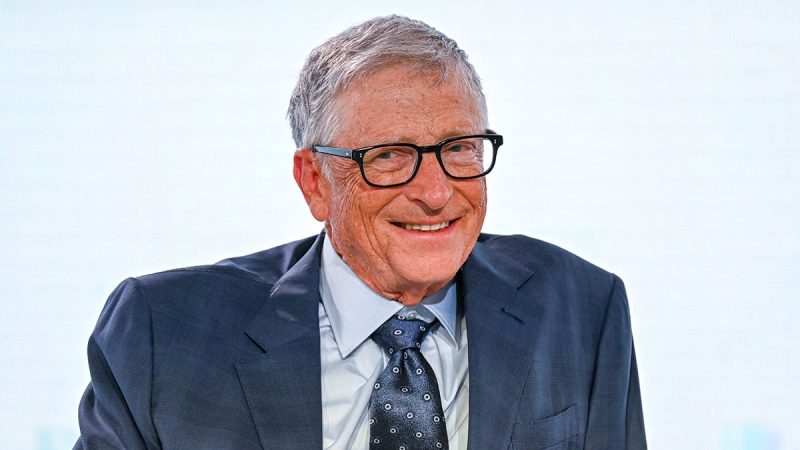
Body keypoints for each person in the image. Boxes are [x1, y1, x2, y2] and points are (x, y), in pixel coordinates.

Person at [74, 15, 646, 450]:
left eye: (458, 149)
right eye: (390, 156)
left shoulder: (580, 307)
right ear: (315, 182)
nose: (436, 192)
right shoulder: (163, 334)